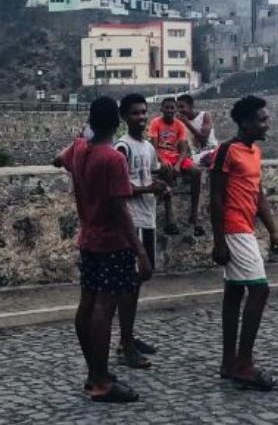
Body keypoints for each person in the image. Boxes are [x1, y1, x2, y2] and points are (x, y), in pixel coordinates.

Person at [54, 96, 151, 403]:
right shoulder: (112, 159)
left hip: (89, 240)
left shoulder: (79, 150)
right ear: (117, 122)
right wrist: (140, 251)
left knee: (87, 305)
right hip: (112, 242)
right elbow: (121, 209)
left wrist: (81, 139)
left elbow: (57, 159)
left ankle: (95, 372)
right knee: (103, 310)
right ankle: (100, 381)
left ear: (91, 122)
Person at [210, 95, 278, 390]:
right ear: (246, 122)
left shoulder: (254, 153)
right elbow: (215, 197)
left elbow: (258, 194)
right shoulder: (227, 151)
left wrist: (273, 230)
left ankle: (229, 361)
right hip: (233, 228)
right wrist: (219, 241)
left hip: (245, 227)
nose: (267, 124)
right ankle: (243, 362)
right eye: (262, 119)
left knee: (234, 291)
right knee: (259, 289)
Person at [113, 94, 169, 369]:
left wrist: (160, 183)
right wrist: (148, 189)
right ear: (125, 117)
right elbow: (119, 188)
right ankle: (125, 343)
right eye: (135, 113)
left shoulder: (147, 146)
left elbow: (149, 176)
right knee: (130, 281)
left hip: (148, 218)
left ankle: (129, 337)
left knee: (139, 280)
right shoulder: (122, 148)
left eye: (144, 113)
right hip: (131, 219)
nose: (141, 118)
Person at [149, 97, 204, 236]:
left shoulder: (179, 125)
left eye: (172, 108)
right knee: (167, 172)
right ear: (162, 109)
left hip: (176, 157)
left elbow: (183, 148)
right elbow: (154, 147)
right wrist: (162, 159)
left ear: (175, 109)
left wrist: (179, 164)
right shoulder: (156, 123)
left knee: (197, 172)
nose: (169, 110)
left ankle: (194, 213)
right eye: (166, 107)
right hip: (162, 156)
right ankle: (169, 220)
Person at [176, 94, 218, 168]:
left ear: (191, 106)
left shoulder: (204, 116)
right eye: (178, 108)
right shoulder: (180, 123)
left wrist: (187, 123)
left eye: (182, 107)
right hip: (196, 156)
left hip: (211, 150)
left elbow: (204, 140)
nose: (180, 110)